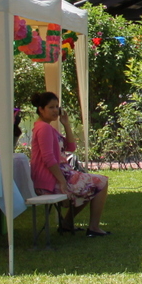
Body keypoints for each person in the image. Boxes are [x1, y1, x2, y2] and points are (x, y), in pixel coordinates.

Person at [27, 91, 109, 236]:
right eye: (51, 107)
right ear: (41, 109)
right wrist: (62, 182)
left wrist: (66, 124)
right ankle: (93, 227)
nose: (55, 110)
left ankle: (67, 224)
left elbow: (71, 147)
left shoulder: (47, 127)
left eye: (57, 107)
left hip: (61, 175)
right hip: (51, 181)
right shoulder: (44, 128)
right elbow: (48, 159)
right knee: (100, 182)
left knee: (90, 185)